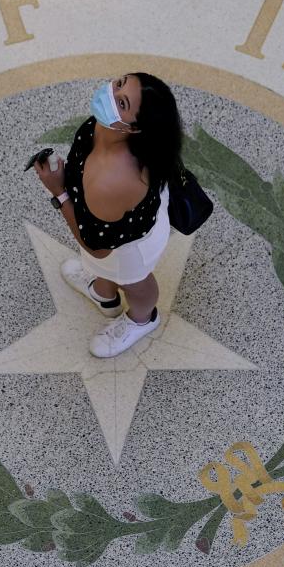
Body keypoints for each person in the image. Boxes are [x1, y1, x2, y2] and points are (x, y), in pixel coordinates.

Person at [34, 73, 184, 358]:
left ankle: (143, 319)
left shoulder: (114, 183)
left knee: (135, 283)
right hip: (114, 227)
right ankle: (104, 294)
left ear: (135, 128)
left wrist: (59, 192)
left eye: (123, 102)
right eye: (119, 83)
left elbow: (97, 247)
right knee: (106, 271)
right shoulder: (103, 126)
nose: (110, 96)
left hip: (130, 248)